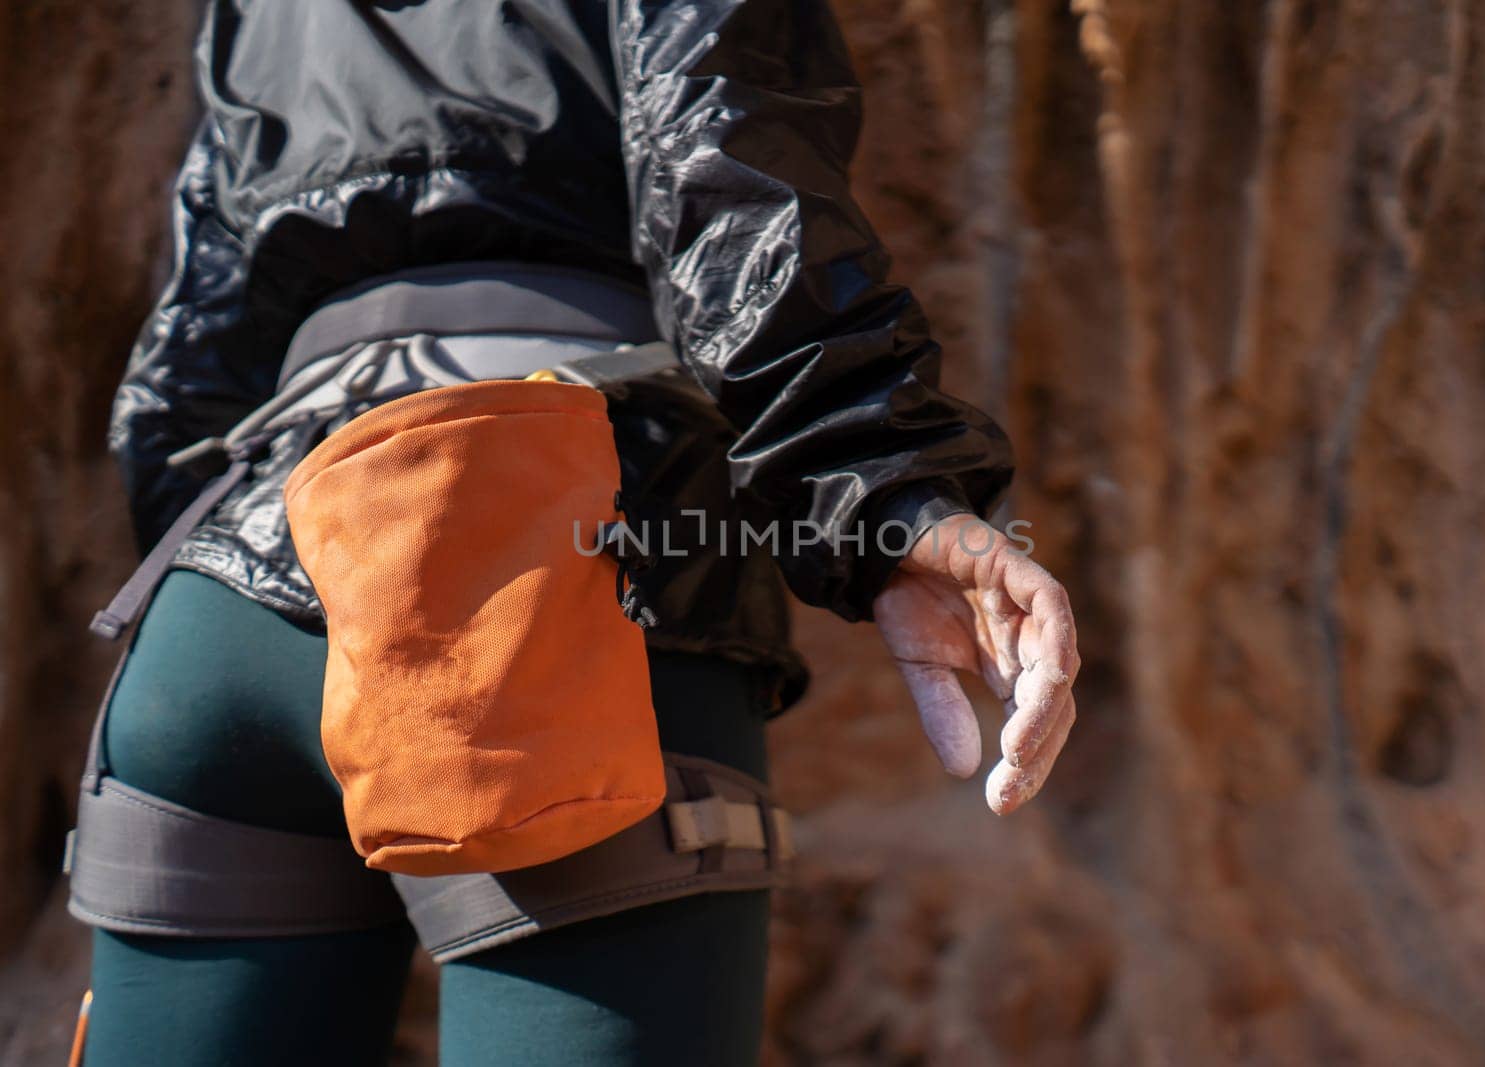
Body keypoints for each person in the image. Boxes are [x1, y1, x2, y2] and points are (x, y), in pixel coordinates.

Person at [70, 1, 1080, 1064]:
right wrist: (891, 496)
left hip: (224, 611)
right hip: (559, 567)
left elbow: (193, 348)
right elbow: (726, 175)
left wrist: (226, 617)